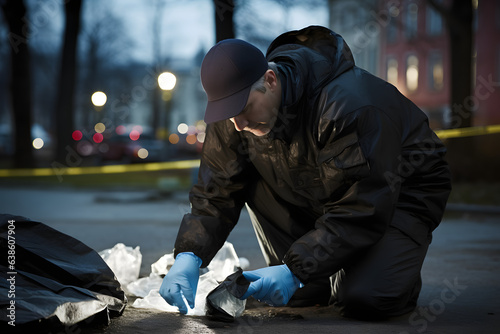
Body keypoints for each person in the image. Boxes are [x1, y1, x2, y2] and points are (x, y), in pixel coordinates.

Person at [159, 25, 451, 319]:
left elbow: (362, 203)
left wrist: (295, 270)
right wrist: (188, 256)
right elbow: (218, 188)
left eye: (244, 108)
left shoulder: (348, 106)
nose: (238, 124)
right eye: (229, 113)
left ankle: (393, 268)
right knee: (302, 293)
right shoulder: (235, 114)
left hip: (398, 193)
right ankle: (310, 275)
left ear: (270, 80)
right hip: (319, 187)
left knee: (367, 299)